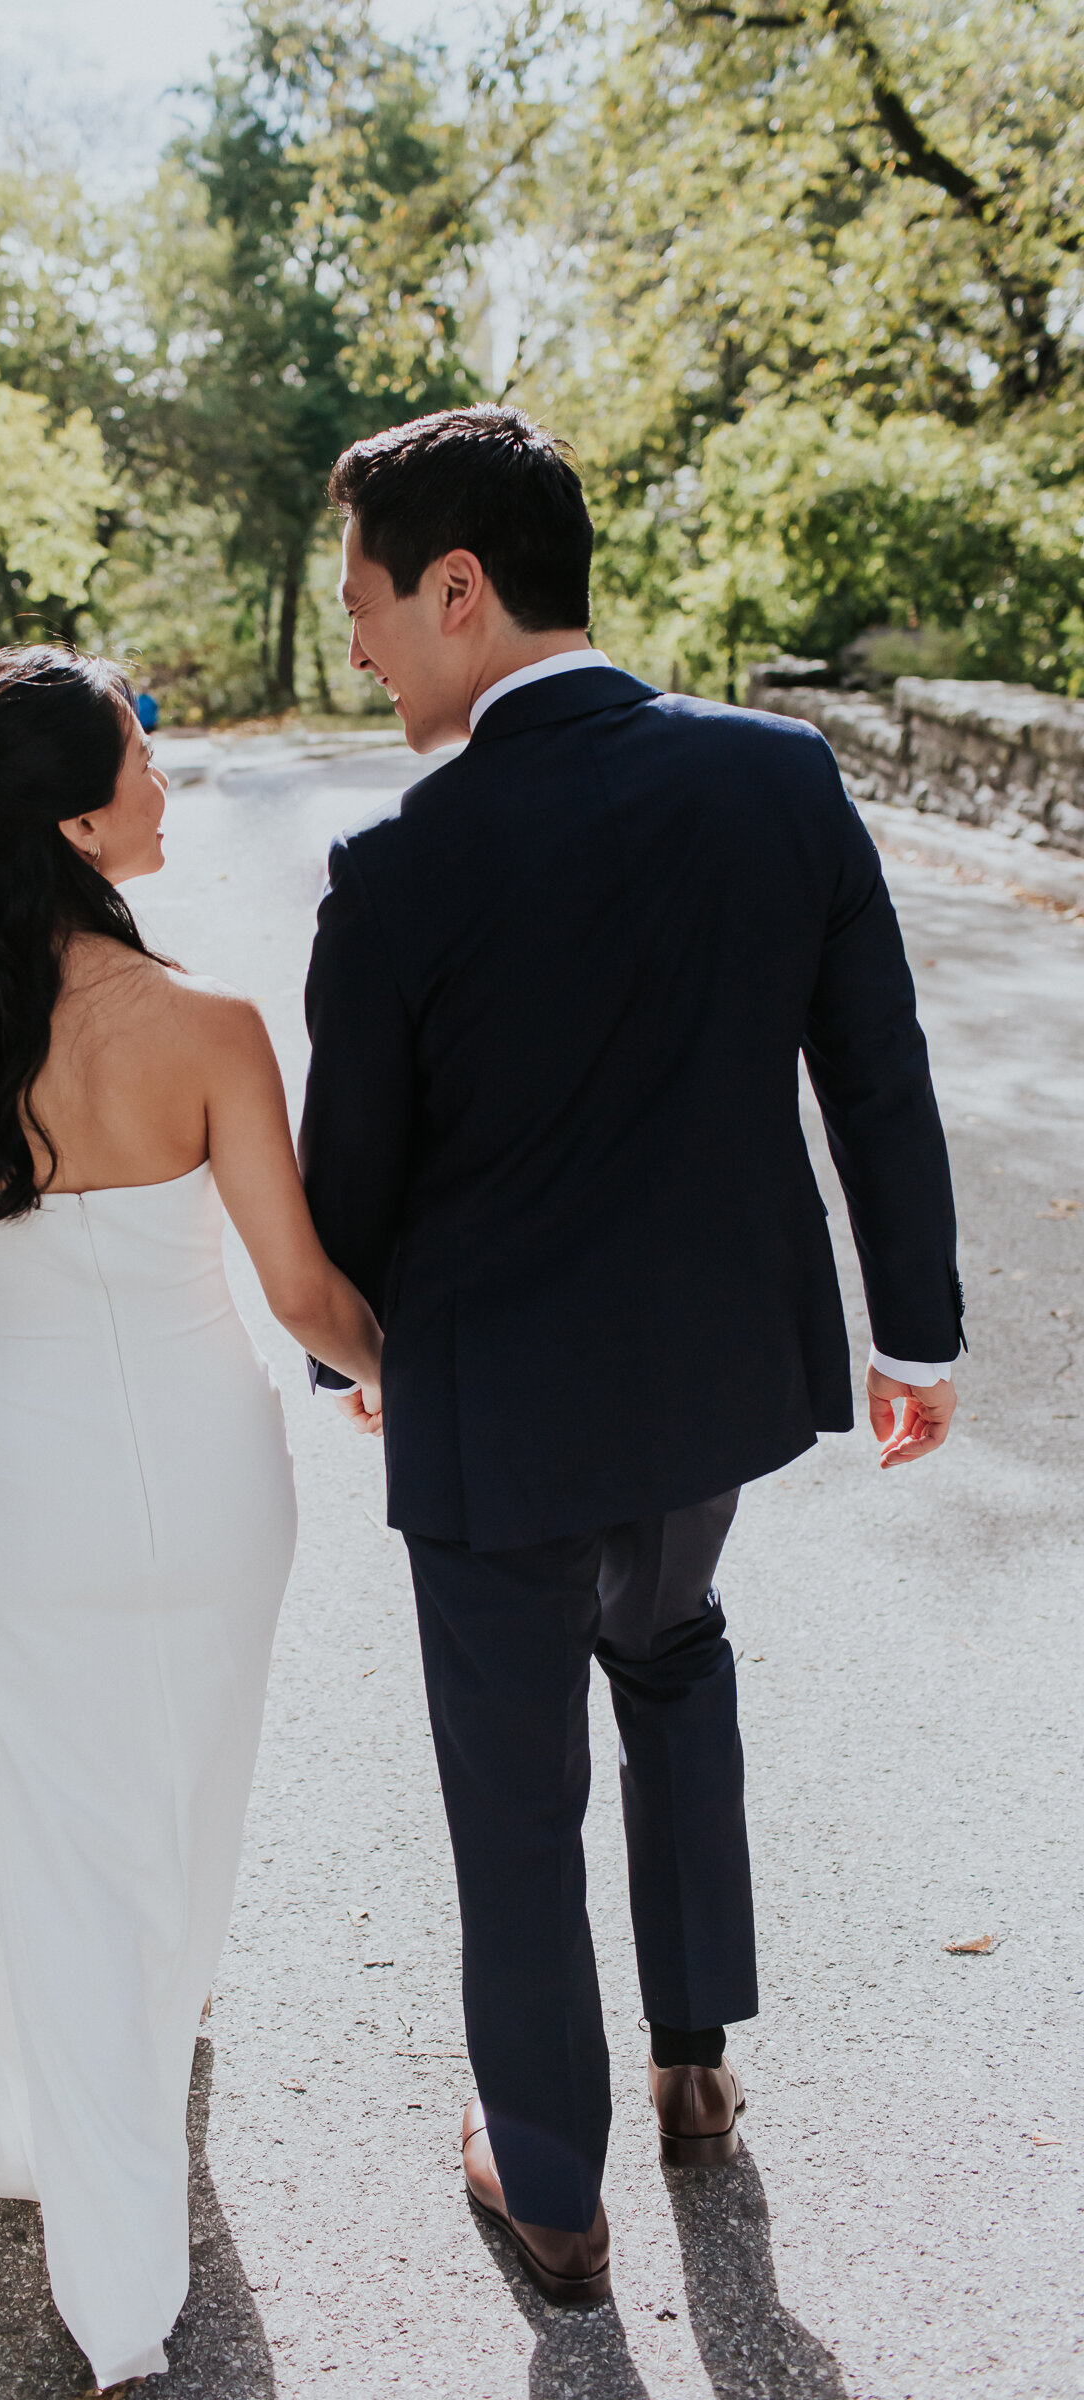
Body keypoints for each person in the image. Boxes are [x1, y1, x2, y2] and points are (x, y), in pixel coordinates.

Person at [299, 405, 962, 2304]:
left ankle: (556, 2190)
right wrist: (908, 1327)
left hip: (494, 1416)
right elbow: (878, 1068)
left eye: (364, 603)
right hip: (718, 1387)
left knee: (513, 1795)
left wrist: (354, 1368)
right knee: (671, 1656)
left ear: (458, 588)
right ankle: (692, 2067)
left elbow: (354, 1188)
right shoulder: (781, 778)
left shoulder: (395, 863)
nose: (357, 643)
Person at [0, 646, 382, 2389]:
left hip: (30, 1468)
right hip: (214, 1466)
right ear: (79, 818)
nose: (168, 781)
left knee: (50, 1823)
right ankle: (128, 2137)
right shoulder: (212, 1026)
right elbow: (301, 1291)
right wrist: (392, 1369)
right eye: (145, 759)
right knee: (184, 1801)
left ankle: (99, 2185)